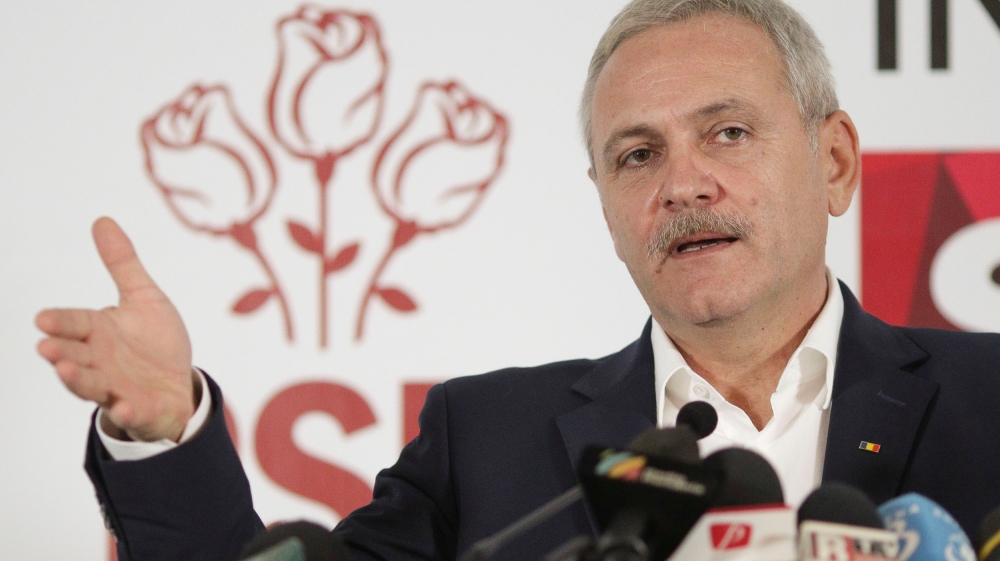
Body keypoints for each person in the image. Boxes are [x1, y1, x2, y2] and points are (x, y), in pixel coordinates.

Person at [35, 0, 1000, 560]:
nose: (682, 184)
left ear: (834, 161)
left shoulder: (990, 399)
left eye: (729, 132)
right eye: (636, 154)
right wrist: (166, 432)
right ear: (606, 204)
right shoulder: (484, 440)